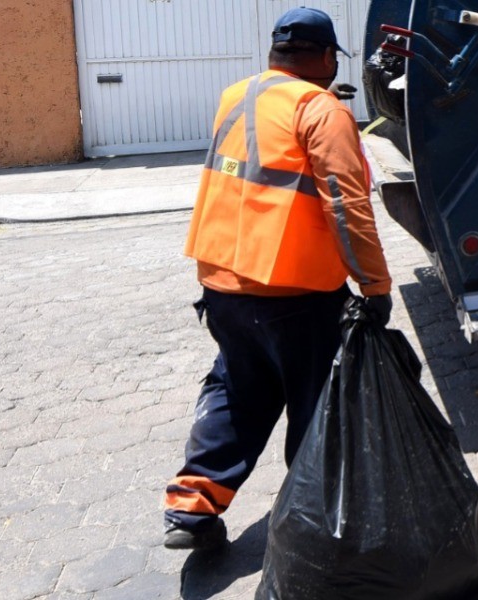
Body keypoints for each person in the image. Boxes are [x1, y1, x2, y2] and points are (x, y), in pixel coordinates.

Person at [163, 7, 393, 551]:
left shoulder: (235, 95)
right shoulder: (321, 109)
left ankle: (191, 508)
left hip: (222, 283)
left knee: (237, 391)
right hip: (296, 293)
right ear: (323, 56)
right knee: (316, 403)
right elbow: (348, 205)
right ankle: (316, 520)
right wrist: (376, 286)